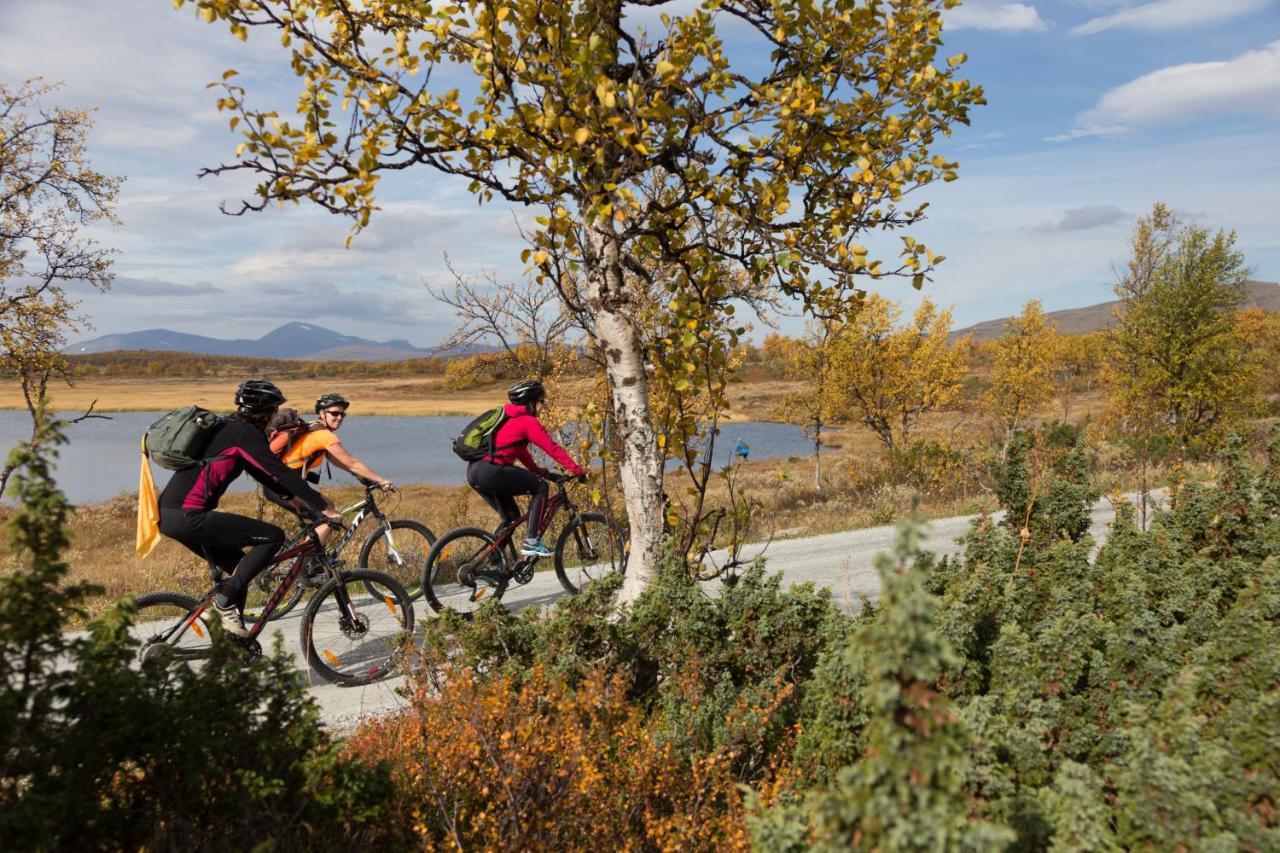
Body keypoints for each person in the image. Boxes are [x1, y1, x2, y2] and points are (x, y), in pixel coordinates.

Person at [158, 379, 338, 636]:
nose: (276, 415)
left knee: (237, 569)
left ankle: (232, 641)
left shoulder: (230, 428)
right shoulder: (245, 433)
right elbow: (280, 473)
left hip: (171, 515)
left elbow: (261, 472)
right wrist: (324, 506)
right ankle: (223, 602)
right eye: (274, 410)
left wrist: (295, 501)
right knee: (273, 536)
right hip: (189, 516)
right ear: (265, 411)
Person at [466, 380, 586, 557]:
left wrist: (541, 472)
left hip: (476, 471)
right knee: (541, 487)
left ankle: (493, 561)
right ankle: (532, 542)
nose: (542, 406)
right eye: (541, 402)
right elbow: (552, 448)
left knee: (512, 518)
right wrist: (577, 469)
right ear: (530, 403)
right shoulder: (528, 422)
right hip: (492, 471)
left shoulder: (510, 421)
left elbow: (523, 455)